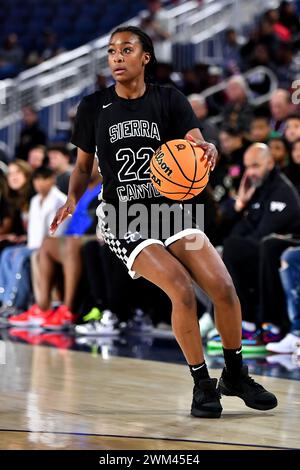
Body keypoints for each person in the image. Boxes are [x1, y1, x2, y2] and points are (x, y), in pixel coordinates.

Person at [50, 26, 277, 418]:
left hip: (171, 209)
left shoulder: (169, 100)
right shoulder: (94, 107)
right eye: (111, 52)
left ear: (146, 57)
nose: (117, 57)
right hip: (124, 215)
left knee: (223, 287)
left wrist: (205, 149)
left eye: (126, 49)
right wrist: (72, 198)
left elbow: (194, 142)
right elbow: (83, 166)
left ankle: (235, 373)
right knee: (180, 289)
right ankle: (203, 385)